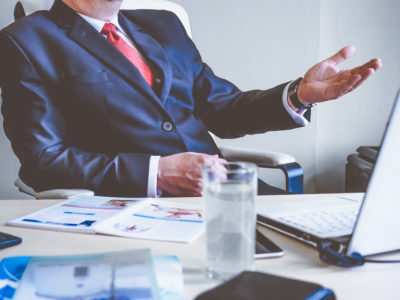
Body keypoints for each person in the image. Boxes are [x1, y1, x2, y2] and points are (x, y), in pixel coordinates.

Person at [0, 0, 381, 197]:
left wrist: (298, 94)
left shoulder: (162, 24)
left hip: (227, 193)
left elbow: (223, 110)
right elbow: (43, 160)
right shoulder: (24, 41)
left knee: (329, 249)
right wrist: (158, 174)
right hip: (130, 207)